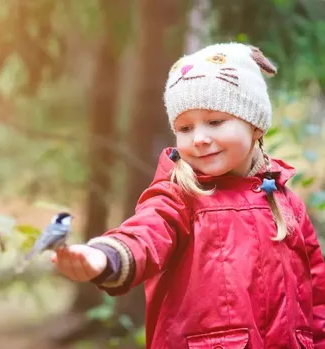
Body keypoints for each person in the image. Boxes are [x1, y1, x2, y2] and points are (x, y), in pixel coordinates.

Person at [51, 42, 325, 348]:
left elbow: (317, 299)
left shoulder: (287, 204)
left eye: (215, 122)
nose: (200, 139)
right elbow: (147, 232)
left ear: (256, 125)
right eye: (185, 128)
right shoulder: (179, 197)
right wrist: (107, 255)